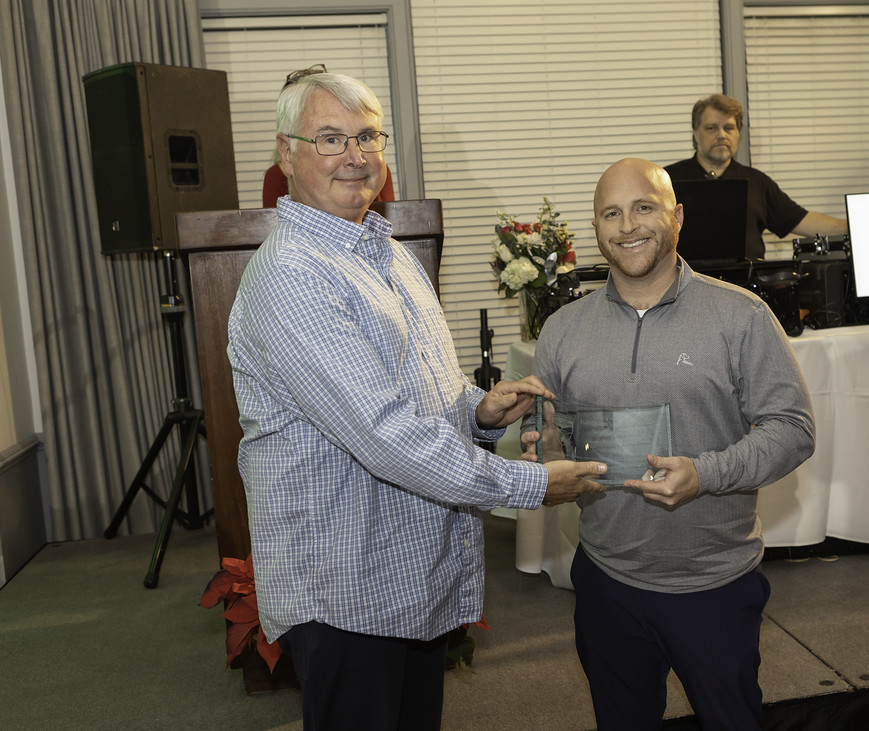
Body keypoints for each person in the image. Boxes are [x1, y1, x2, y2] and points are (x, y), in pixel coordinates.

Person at [227, 72, 607, 730]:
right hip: (345, 591)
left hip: (403, 577)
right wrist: (530, 483)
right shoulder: (292, 274)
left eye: (368, 135)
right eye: (330, 138)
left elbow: (416, 389)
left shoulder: (389, 252)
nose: (356, 154)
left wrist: (477, 412)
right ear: (285, 155)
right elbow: (385, 433)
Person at [525, 158, 815, 729]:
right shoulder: (563, 329)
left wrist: (705, 473)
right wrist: (546, 465)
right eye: (611, 213)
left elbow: (793, 428)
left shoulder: (740, 315)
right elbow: (556, 442)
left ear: (676, 216)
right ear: (596, 227)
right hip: (606, 580)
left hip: (713, 583)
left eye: (643, 207)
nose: (627, 225)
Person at [664, 93, 847, 260]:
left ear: (738, 134)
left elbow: (803, 221)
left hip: (748, 288)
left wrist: (857, 224)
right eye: (711, 128)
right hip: (685, 290)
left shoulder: (757, 182)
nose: (721, 135)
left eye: (729, 128)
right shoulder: (666, 181)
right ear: (695, 134)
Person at [261, 64, 395, 207]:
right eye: (331, 140)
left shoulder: (375, 169)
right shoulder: (276, 176)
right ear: (287, 152)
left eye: (365, 137)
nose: (357, 159)